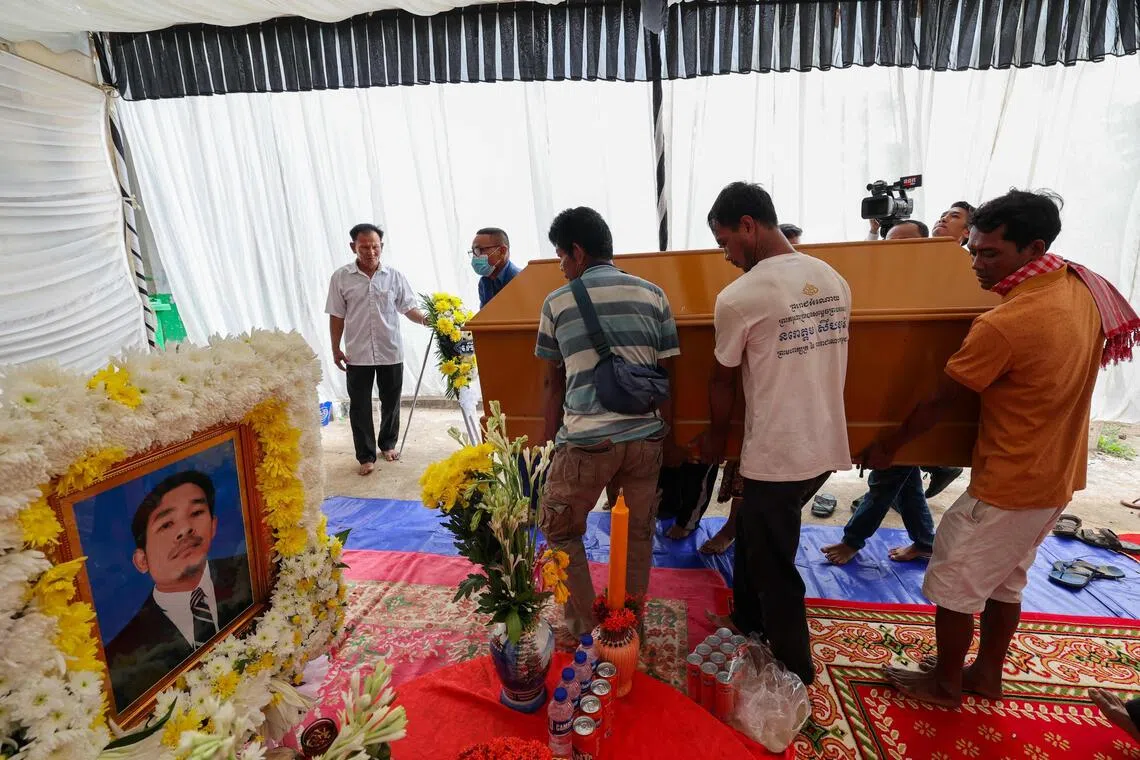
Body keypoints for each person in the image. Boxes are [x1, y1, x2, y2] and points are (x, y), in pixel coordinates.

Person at [866, 189, 1137, 708]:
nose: (975, 265)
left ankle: (945, 686)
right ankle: (985, 674)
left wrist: (888, 445)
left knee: (953, 582)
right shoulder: (1080, 284)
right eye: (972, 250)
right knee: (1005, 583)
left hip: (1010, 481)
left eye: (989, 254)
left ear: (1034, 247)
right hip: (1055, 477)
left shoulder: (1006, 322)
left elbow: (941, 400)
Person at [700, 182, 852, 685]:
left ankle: (794, 672)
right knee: (754, 531)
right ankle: (746, 618)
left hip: (779, 449)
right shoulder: (831, 277)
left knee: (775, 563)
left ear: (748, 225)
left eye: (726, 243)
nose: (726, 255)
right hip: (824, 441)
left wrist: (718, 443)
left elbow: (722, 381)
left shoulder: (741, 295)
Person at [535, 206, 683, 642]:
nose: (562, 267)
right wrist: (666, 437)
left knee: (560, 530)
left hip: (584, 443)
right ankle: (625, 626)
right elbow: (669, 375)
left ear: (577, 252)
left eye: (562, 256)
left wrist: (549, 448)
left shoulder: (558, 302)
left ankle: (582, 625)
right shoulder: (653, 295)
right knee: (638, 535)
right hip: (645, 440)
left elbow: (551, 382)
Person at [823, 224, 936, 566]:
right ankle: (926, 541)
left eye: (905, 243)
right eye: (890, 242)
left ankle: (853, 541)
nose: (895, 249)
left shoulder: (931, 285)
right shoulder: (885, 282)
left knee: (886, 479)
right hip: (885, 395)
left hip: (911, 403)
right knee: (906, 478)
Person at [104, 471, 252, 710]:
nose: (185, 530)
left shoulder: (250, 572)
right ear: (141, 560)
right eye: (166, 524)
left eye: (196, 513)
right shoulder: (123, 652)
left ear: (213, 526)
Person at [326, 223, 427, 474]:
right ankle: (365, 456)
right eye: (364, 247)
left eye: (375, 247)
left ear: (381, 247)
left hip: (390, 350)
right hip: (357, 353)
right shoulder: (341, 277)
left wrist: (429, 319)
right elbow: (337, 315)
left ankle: (388, 445)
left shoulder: (394, 276)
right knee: (359, 405)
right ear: (353, 247)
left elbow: (408, 308)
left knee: (390, 402)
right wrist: (335, 348)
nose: (371, 252)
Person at [472, 227, 521, 308]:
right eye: (473, 251)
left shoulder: (519, 280)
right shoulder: (484, 281)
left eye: (479, 250)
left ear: (502, 251)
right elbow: (485, 316)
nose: (475, 256)